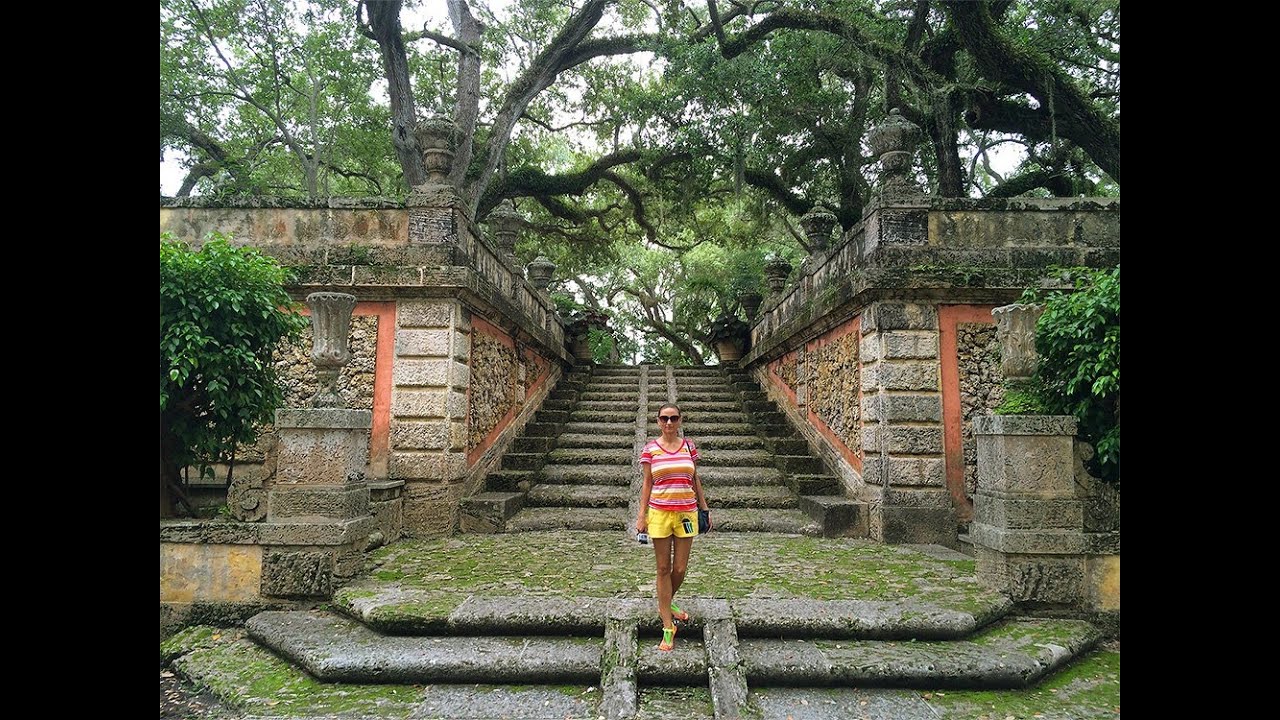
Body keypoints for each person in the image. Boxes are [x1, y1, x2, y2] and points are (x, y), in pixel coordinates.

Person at [635, 402, 709, 652]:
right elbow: (646, 484)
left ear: (680, 420)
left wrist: (705, 508)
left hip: (687, 512)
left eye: (673, 418)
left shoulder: (689, 447)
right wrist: (641, 515)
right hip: (659, 513)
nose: (669, 423)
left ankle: (666, 602)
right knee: (663, 567)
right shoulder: (650, 449)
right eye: (664, 418)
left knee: (680, 568)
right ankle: (668, 624)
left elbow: (695, 478)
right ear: (658, 421)